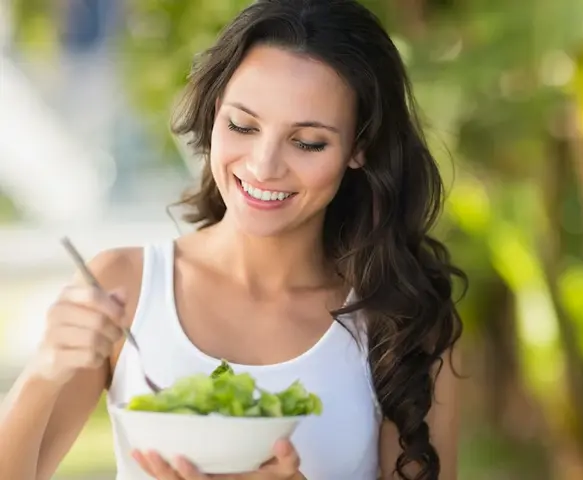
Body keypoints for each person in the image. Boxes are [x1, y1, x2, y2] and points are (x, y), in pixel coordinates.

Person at [0, 0, 465, 479]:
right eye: (242, 125)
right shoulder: (125, 287)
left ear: (360, 147)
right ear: (213, 113)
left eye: (307, 142)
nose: (264, 165)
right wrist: (45, 371)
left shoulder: (405, 319)